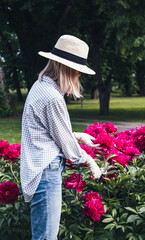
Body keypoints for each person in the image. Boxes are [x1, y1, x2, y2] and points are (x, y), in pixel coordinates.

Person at [20, 35, 101, 240]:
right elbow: (65, 144)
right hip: (46, 173)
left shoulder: (40, 86)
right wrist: (91, 162)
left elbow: (45, 132)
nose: (78, 78)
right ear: (70, 70)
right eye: (77, 73)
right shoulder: (52, 97)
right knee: (47, 237)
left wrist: (78, 135)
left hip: (40, 169)